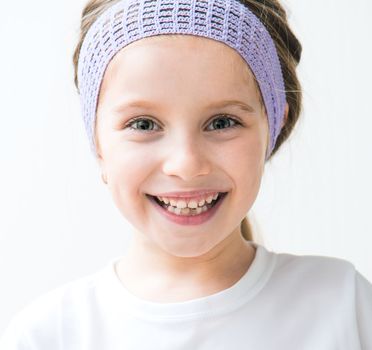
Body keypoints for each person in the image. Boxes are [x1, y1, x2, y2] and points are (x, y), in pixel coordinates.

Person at [1, 0, 371, 349]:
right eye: (143, 124)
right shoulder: (47, 336)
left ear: (273, 127)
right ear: (96, 142)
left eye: (222, 122)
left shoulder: (344, 306)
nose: (186, 164)